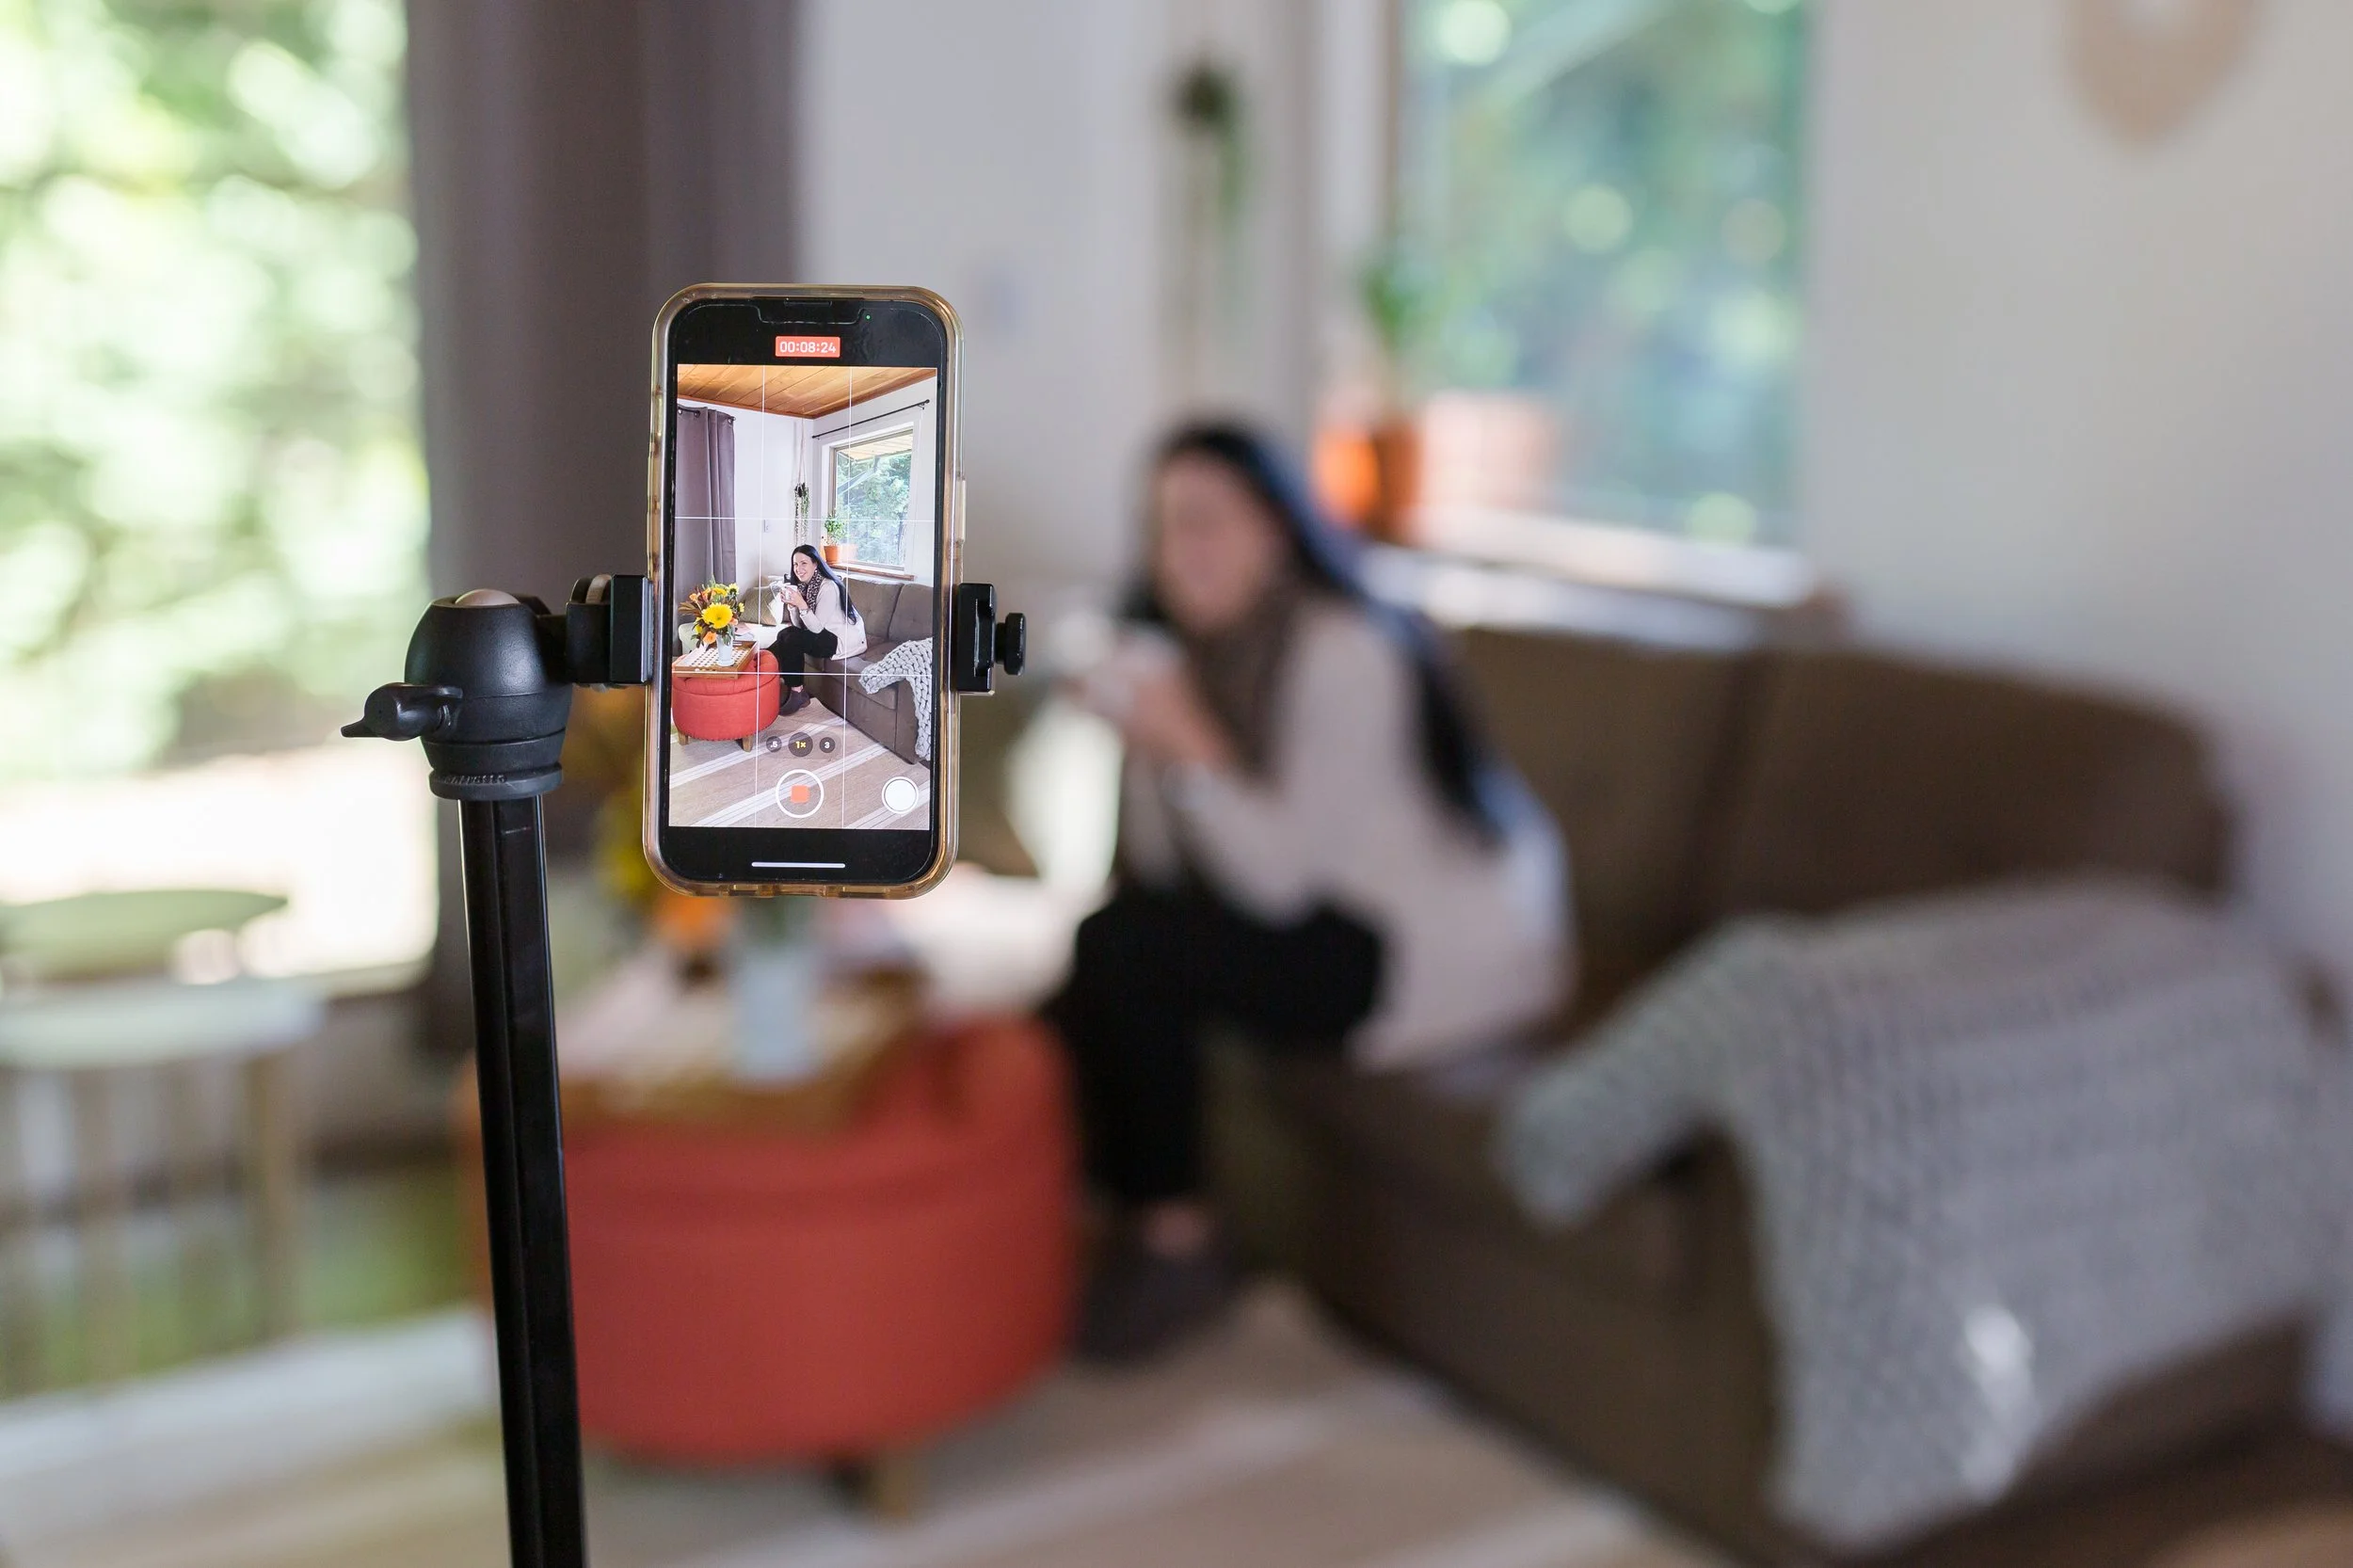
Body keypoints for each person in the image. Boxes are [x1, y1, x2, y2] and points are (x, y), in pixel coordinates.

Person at [1050, 422, 1571, 1364]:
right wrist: (1142, 744)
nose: (1179, 552)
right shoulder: (1203, 655)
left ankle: (1178, 1244)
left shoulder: (1347, 650)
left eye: (1204, 522)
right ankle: (1080, 1218)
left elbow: (1278, 881)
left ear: (1275, 528)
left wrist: (1186, 743)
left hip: (1429, 947)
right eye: (1162, 527)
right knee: (1100, 953)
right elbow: (1164, 871)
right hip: (1329, 919)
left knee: (1129, 951)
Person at [770, 543, 866, 715]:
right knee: (785, 634)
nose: (798, 569)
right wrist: (793, 606)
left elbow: (816, 628)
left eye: (803, 563)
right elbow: (799, 627)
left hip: (840, 639)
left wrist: (801, 604)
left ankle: (797, 693)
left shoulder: (828, 587)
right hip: (823, 633)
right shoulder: (804, 586)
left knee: (790, 638)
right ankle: (765, 669)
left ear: (815, 564)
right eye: (795, 564)